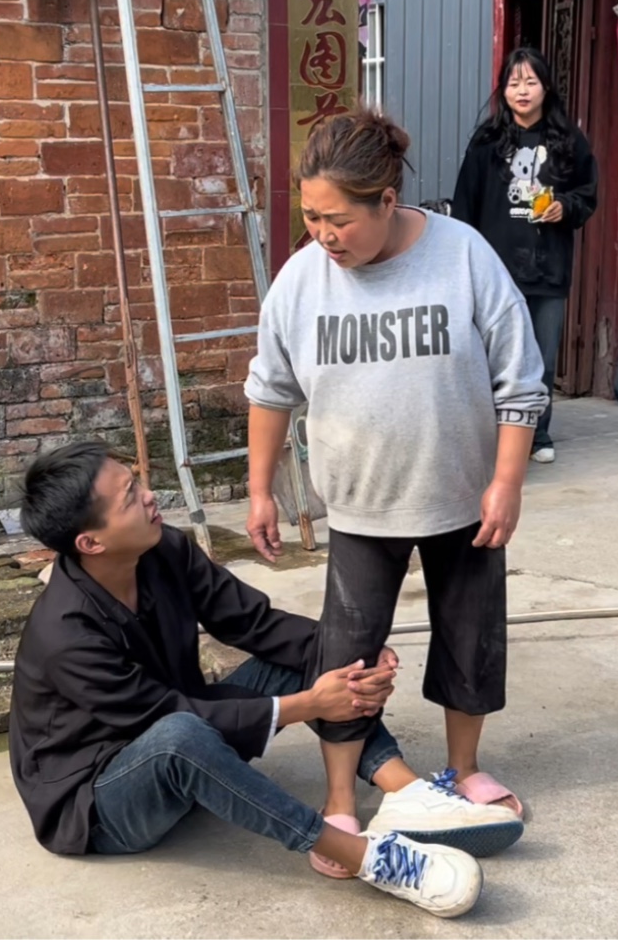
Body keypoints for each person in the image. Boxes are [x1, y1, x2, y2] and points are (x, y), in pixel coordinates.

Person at [8, 440, 523, 919]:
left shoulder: (165, 549)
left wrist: (347, 654)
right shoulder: (65, 634)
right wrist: (311, 704)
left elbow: (249, 622)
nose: (149, 497)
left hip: (183, 726)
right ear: (90, 541)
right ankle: (365, 856)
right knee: (181, 738)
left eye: (138, 483)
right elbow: (168, 718)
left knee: (322, 653)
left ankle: (408, 793)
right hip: (102, 800)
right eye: (129, 497)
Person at [244, 109, 549, 855]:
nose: (324, 234)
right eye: (311, 216)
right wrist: (260, 489)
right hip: (359, 504)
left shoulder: (462, 255)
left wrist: (506, 481)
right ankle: (342, 796)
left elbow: (521, 382)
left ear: (386, 199)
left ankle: (464, 768)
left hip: (461, 497)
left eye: (340, 219)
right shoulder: (299, 280)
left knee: (470, 639)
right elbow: (269, 388)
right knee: (345, 657)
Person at [451, 47, 600, 465]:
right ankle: (488, 431)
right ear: (503, 89)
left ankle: (538, 434)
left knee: (540, 355)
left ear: (545, 88)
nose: (522, 90)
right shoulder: (487, 143)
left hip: (547, 265)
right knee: (488, 355)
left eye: (530, 82)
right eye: (514, 82)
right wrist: (464, 263)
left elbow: (587, 194)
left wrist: (565, 207)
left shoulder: (569, 141)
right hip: (494, 270)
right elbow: (466, 205)